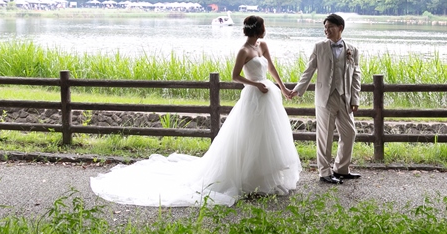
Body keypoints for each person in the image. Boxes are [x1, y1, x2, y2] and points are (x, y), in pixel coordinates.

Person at [90, 16, 301, 206]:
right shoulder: (243, 51)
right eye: (263, 26)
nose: (265, 30)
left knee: (268, 138)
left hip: (269, 97)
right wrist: (255, 85)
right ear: (257, 29)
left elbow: (271, 68)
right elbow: (235, 76)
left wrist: (282, 88)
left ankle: (265, 181)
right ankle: (248, 181)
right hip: (253, 96)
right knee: (249, 138)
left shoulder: (262, 45)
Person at [290, 13, 361, 184]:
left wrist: (355, 99)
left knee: (350, 133)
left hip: (344, 97)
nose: (326, 30)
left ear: (340, 28)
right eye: (325, 27)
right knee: (325, 135)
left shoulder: (352, 49)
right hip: (325, 97)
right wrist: (298, 90)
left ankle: (341, 169)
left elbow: (356, 75)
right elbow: (309, 70)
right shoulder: (319, 47)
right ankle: (324, 172)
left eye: (330, 27)